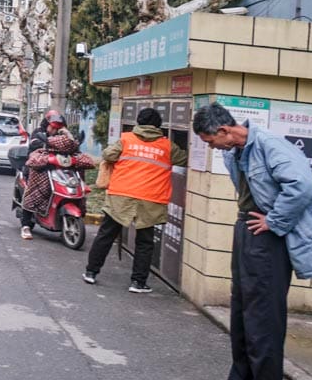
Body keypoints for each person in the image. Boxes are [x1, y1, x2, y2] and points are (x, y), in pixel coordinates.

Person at [193, 102, 312, 380]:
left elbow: (302, 186)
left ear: (223, 130)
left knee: (263, 318)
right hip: (247, 228)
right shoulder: (234, 152)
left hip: (268, 238)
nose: (211, 147)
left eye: (210, 141)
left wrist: (275, 221)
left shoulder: (270, 145)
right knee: (241, 311)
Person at [83, 107, 187, 293]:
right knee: (145, 242)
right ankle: (138, 283)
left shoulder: (126, 140)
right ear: (158, 125)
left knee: (106, 235)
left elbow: (107, 155)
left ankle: (91, 272)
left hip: (121, 195)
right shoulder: (167, 146)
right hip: (150, 198)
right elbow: (184, 159)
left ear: (138, 122)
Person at [19, 110, 94, 240]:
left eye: (58, 127)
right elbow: (34, 148)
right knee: (36, 192)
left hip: (60, 171)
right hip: (40, 168)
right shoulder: (39, 133)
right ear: (46, 124)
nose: (54, 130)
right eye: (52, 127)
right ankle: (25, 225)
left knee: (78, 186)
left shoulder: (64, 136)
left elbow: (74, 149)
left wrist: (68, 135)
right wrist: (47, 154)